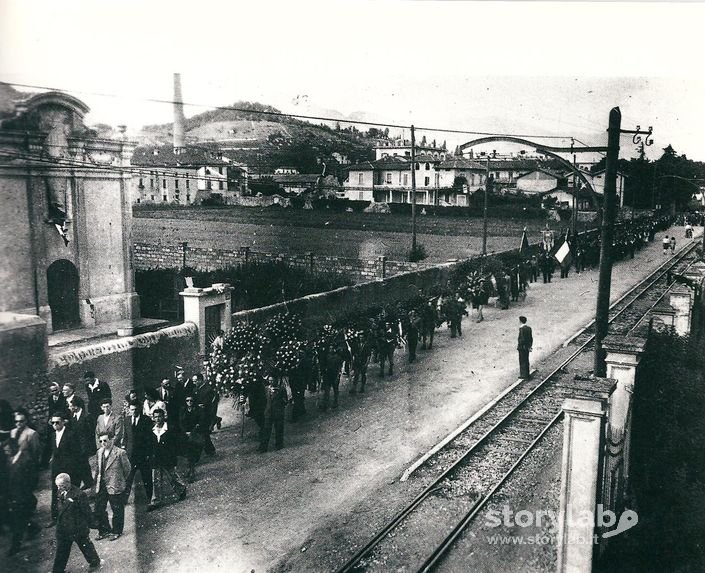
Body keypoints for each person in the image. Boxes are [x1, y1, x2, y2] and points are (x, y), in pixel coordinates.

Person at [51, 473, 102, 573]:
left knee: (86, 546)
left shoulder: (79, 494)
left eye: (61, 485)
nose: (59, 488)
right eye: (57, 486)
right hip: (63, 528)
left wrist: (93, 524)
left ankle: (95, 562)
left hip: (77, 527)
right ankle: (58, 570)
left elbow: (86, 511)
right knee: (61, 551)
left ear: (68, 483)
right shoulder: (60, 491)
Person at [4, 438, 39, 557]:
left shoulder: (25, 460)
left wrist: (27, 491)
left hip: (23, 496)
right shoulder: (9, 461)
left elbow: (33, 478)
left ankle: (15, 545)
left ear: (14, 448)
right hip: (14, 495)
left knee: (17, 521)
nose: (6, 452)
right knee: (20, 518)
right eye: (5, 450)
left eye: (8, 449)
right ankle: (33, 527)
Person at [94, 431, 131, 541]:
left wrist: (119, 481)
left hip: (115, 484)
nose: (103, 443)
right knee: (99, 508)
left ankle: (117, 531)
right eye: (100, 441)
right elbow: (98, 469)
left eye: (105, 440)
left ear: (112, 439)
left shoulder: (120, 453)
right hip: (102, 485)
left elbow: (127, 469)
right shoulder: (99, 452)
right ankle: (104, 530)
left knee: (117, 509)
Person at [148, 408, 186, 511]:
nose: (158, 419)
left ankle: (181, 490)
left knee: (172, 476)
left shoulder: (170, 429)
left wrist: (173, 456)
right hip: (156, 458)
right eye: (155, 417)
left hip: (167, 457)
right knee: (155, 479)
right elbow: (151, 445)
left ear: (164, 417)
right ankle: (156, 500)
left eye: (159, 416)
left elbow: (175, 444)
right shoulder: (152, 430)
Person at [48, 415, 81, 525]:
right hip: (56, 468)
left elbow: (76, 454)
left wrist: (72, 471)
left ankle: (72, 518)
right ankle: (55, 517)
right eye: (53, 423)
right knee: (55, 492)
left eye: (57, 422)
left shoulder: (71, 434)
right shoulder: (52, 435)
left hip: (68, 469)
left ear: (63, 422)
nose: (55, 425)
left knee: (70, 493)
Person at [124, 401, 153, 501]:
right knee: (128, 478)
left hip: (143, 455)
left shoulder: (146, 420)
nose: (134, 411)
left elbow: (150, 438)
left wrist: (148, 453)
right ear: (129, 410)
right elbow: (126, 437)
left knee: (146, 477)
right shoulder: (127, 420)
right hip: (131, 455)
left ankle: (150, 498)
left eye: (136, 409)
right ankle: (124, 499)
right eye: (132, 410)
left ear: (140, 409)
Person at [68, 398, 95, 490]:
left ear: (76, 406)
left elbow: (91, 433)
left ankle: (86, 483)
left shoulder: (87, 416)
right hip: (75, 446)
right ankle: (88, 482)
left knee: (82, 464)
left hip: (84, 446)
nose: (69, 407)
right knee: (83, 464)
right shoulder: (72, 415)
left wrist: (88, 448)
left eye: (70, 406)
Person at [259, 376, 288, 453]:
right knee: (266, 430)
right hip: (268, 413)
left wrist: (279, 396)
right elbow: (263, 400)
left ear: (276, 380)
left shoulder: (281, 389)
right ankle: (263, 448)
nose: (271, 382)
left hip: (278, 413)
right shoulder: (265, 389)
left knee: (279, 429)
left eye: (272, 380)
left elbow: (285, 401)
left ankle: (279, 445)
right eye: (269, 380)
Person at [179, 396, 204, 482]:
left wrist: (193, 431)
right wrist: (185, 431)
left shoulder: (198, 410)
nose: (189, 402)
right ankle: (191, 471)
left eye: (191, 400)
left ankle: (191, 471)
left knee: (194, 453)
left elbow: (200, 422)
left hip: (195, 434)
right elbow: (180, 422)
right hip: (185, 434)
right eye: (187, 400)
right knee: (188, 454)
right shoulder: (182, 410)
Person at [195, 374, 217, 456]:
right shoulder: (196, 389)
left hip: (206, 414)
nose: (194, 383)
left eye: (195, 381)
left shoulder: (208, 389)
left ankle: (210, 450)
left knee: (204, 432)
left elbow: (208, 403)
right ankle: (209, 450)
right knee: (203, 433)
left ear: (200, 380)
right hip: (199, 414)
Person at [517, 316, 533, 380]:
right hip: (527, 347)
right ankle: (527, 374)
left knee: (522, 360)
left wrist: (519, 345)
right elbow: (531, 338)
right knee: (526, 360)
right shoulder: (529, 328)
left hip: (522, 347)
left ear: (520, 321)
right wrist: (530, 346)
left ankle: (523, 375)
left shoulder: (521, 329)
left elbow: (522, 339)